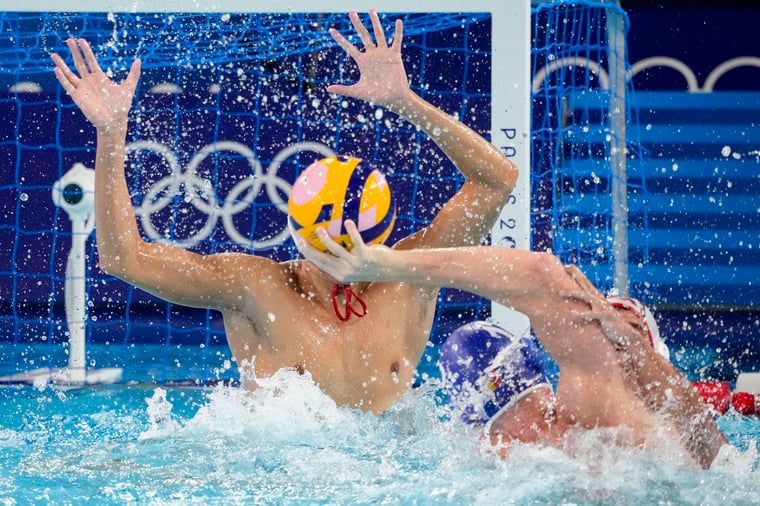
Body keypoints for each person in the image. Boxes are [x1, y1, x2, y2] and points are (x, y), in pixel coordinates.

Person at [50, 10, 519, 414]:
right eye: (331, 244)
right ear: (299, 236)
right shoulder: (256, 288)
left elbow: (498, 181)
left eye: (357, 245)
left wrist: (406, 103)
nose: (344, 255)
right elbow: (123, 259)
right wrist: (112, 135)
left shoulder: (411, 276)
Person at [297, 220, 728, 468]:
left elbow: (540, 276)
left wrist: (386, 263)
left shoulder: (609, 413)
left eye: (614, 324)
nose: (598, 328)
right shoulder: (593, 423)